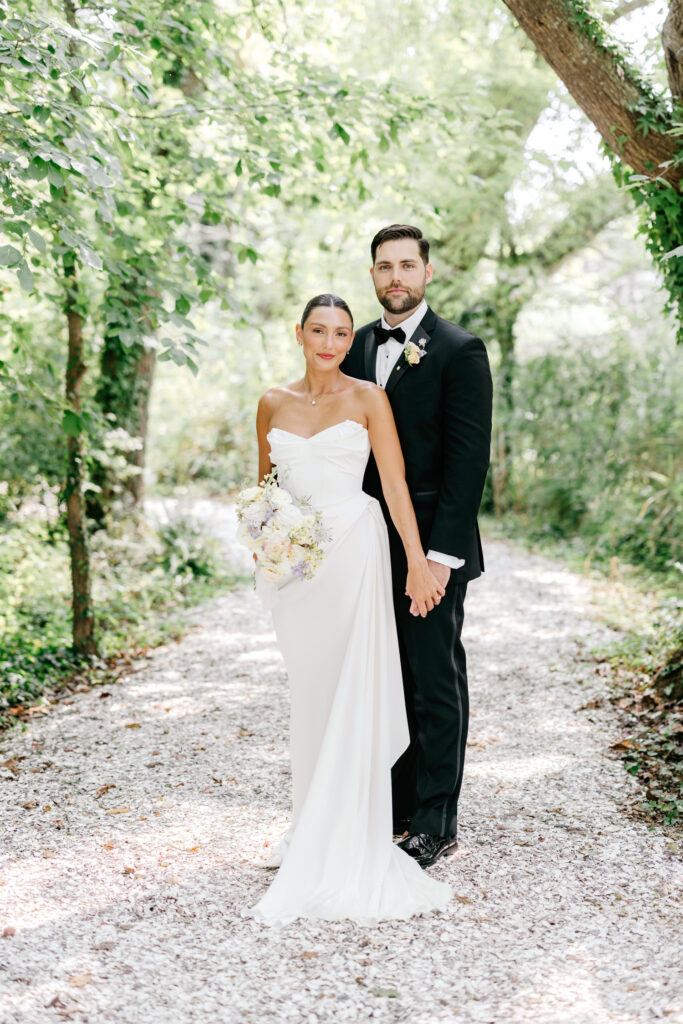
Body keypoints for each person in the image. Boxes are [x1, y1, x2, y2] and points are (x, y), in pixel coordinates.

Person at [244, 293, 452, 925]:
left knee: (349, 689)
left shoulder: (368, 399)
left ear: (347, 338)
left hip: (354, 554)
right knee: (309, 692)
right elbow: (266, 487)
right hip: (296, 569)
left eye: (340, 333)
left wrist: (416, 561)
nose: (330, 343)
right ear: (299, 334)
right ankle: (309, 820)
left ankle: (349, 831)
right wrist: (265, 542)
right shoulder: (271, 402)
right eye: (318, 331)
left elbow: (393, 484)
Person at [341, 224, 492, 868]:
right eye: (385, 266)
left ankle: (437, 821)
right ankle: (395, 810)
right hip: (364, 542)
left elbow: (468, 463)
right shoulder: (353, 345)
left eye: (407, 265)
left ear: (427, 272)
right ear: (373, 275)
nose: (395, 277)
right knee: (385, 675)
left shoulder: (460, 350)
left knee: (433, 678)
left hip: (431, 548)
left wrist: (437, 558)